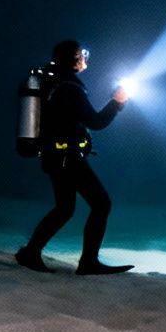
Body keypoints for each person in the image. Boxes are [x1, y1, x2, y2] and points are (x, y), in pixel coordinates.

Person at [16, 39, 134, 276]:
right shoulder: (70, 86)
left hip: (54, 155)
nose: (85, 58)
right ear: (74, 58)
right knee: (101, 204)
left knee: (64, 208)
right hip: (67, 157)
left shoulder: (55, 81)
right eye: (82, 54)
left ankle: (31, 253)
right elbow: (96, 122)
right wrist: (117, 102)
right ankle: (88, 262)